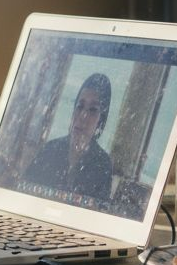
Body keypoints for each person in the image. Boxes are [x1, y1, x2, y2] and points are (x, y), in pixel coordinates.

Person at [23, 73, 115, 201]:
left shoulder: (103, 164)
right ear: (73, 111)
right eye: (80, 106)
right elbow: (24, 190)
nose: (83, 116)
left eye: (93, 110)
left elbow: (99, 213)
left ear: (101, 119)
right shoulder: (50, 149)